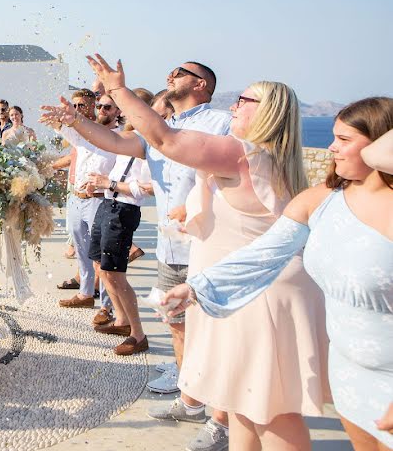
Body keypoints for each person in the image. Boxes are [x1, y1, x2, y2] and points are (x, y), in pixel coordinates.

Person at [88, 54, 328, 450]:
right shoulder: (259, 155)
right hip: (236, 294)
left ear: (266, 112)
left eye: (245, 101)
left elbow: (165, 139)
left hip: (257, 299)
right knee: (243, 411)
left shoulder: (243, 153)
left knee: (271, 414)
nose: (235, 104)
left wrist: (116, 88)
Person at [165, 97, 393, 451]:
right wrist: (195, 289)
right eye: (333, 136)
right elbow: (263, 256)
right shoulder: (321, 200)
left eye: (345, 140)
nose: (332, 147)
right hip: (350, 372)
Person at [42, 59, 232, 450]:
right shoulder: (160, 129)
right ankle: (190, 399)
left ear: (202, 85)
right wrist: (76, 122)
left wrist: (116, 91)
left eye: (180, 72)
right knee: (176, 326)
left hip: (208, 246)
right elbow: (113, 142)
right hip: (170, 246)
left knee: (215, 336)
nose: (170, 75)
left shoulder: (217, 123)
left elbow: (165, 141)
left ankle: (222, 420)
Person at [84, 88, 155, 355]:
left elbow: (147, 188)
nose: (123, 110)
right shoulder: (127, 138)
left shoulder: (149, 143)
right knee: (100, 266)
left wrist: (110, 184)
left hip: (123, 211)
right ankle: (123, 321)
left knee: (115, 273)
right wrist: (101, 188)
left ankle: (138, 334)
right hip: (108, 205)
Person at [50, 88, 119, 311]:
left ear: (118, 111)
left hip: (101, 200)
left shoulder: (120, 137)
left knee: (102, 258)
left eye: (106, 107)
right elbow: (66, 133)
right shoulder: (87, 133)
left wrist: (106, 181)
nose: (101, 110)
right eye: (100, 106)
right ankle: (86, 293)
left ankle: (107, 307)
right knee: (81, 251)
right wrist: (57, 121)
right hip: (77, 199)